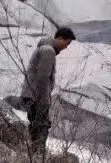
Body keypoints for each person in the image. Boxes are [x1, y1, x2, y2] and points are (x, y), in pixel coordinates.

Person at [21, 27, 75, 156]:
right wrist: (44, 101)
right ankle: (38, 157)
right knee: (41, 128)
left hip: (31, 96)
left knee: (35, 127)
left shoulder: (43, 48)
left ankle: (34, 156)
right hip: (37, 97)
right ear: (60, 38)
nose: (66, 47)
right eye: (67, 43)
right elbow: (43, 78)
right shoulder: (48, 51)